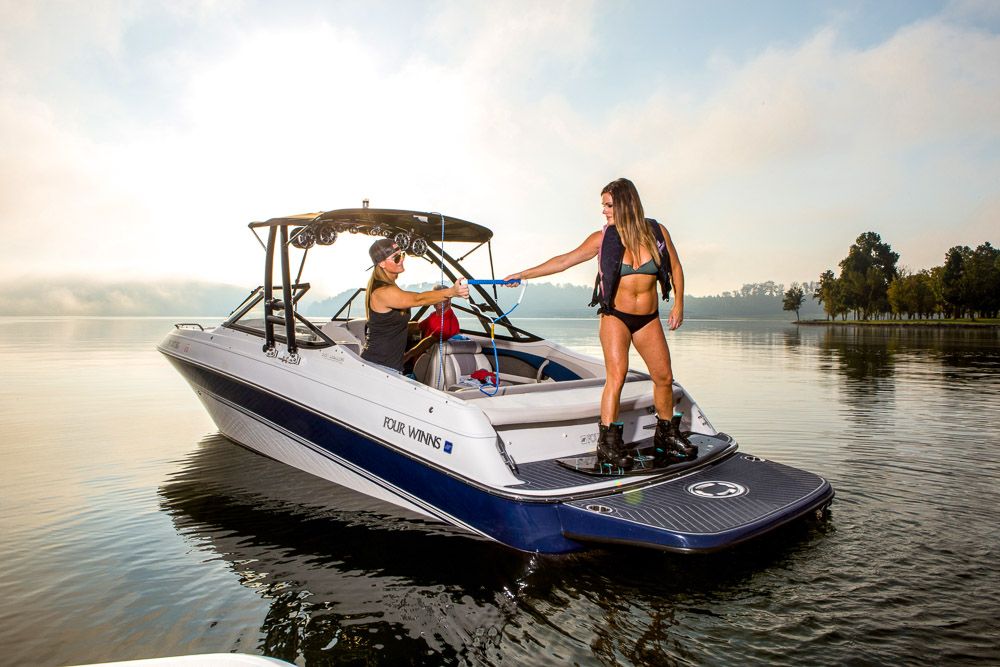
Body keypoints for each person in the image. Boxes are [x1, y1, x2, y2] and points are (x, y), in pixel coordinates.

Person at [504, 178, 695, 470]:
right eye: (603, 206)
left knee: (664, 377)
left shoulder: (657, 231)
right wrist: (523, 274)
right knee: (616, 378)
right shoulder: (602, 237)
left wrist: (679, 303)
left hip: (648, 319)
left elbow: (677, 267)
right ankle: (608, 445)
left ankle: (667, 434)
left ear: (625, 204)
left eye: (608, 205)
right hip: (615, 316)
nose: (604, 211)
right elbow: (564, 261)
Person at [361, 238, 469, 373]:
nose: (401, 260)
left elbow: (401, 322)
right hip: (377, 367)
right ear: (382, 264)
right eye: (396, 258)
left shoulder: (391, 288)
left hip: (389, 366)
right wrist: (452, 292)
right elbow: (418, 299)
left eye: (402, 255)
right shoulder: (382, 292)